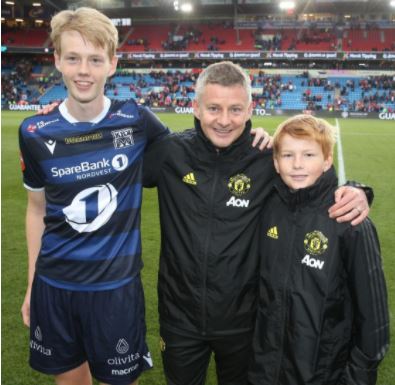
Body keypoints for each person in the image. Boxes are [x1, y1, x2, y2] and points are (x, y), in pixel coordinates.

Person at [142, 62, 372, 385]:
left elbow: (309, 188)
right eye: (213, 108)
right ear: (195, 107)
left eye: (236, 109)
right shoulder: (170, 153)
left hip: (244, 323)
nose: (224, 120)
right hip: (180, 320)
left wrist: (358, 191)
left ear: (251, 108)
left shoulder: (265, 158)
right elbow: (113, 166)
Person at [18, 7, 172, 385]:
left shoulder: (135, 119)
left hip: (115, 290)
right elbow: (36, 211)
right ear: (57, 61)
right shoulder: (35, 131)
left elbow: (191, 150)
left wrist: (260, 140)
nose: (83, 70)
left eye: (94, 59)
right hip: (55, 287)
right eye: (72, 58)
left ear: (112, 64)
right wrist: (31, 284)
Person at [248, 114, 389, 385]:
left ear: (327, 160)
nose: (298, 164)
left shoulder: (350, 222)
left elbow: (374, 320)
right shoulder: (267, 209)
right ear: (276, 163)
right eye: (288, 155)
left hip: (324, 374)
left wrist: (356, 377)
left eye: (309, 154)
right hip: (265, 370)